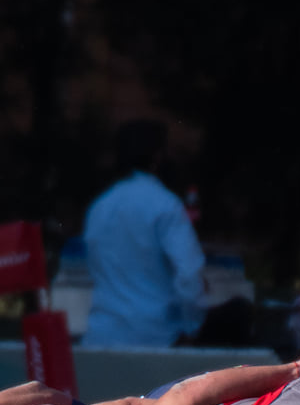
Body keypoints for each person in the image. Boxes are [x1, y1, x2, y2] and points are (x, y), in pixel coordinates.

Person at [79, 119, 207, 348]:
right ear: (158, 156)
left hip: (101, 336)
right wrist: (192, 328)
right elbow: (189, 275)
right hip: (157, 339)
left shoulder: (100, 207)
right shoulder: (165, 205)